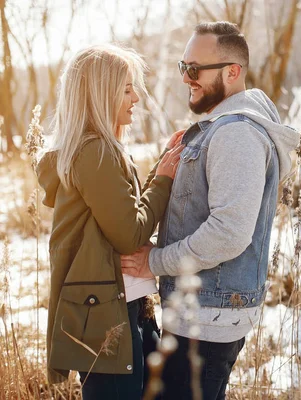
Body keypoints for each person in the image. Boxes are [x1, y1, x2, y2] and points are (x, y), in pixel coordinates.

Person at [121, 21, 300, 400]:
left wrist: (153, 261)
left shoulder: (237, 134)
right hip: (199, 313)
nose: (186, 78)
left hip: (207, 319)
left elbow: (228, 233)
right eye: (183, 67)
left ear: (232, 72)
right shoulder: (218, 127)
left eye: (195, 69)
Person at [36, 43, 184, 399]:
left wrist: (161, 167)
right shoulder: (95, 152)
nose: (136, 97)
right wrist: (163, 179)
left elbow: (125, 213)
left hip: (127, 307)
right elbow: (130, 233)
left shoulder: (99, 150)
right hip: (108, 319)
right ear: (101, 93)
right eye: (127, 88)